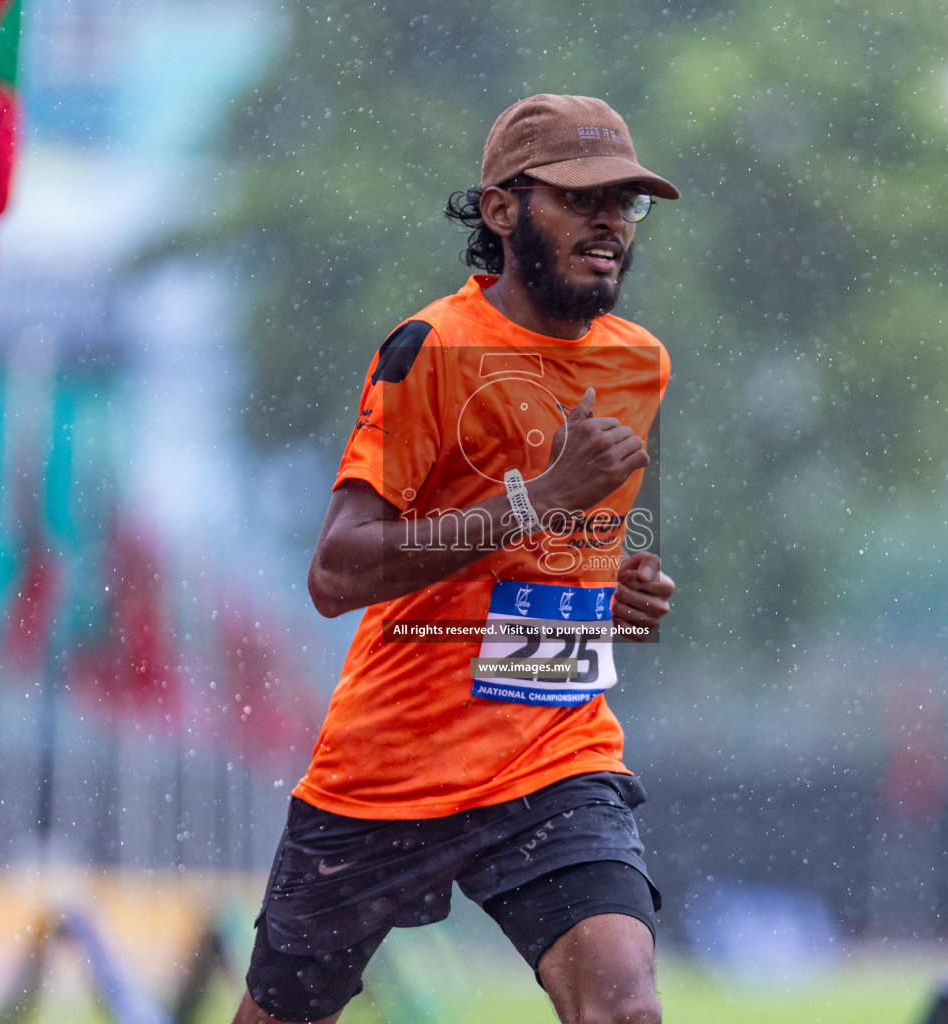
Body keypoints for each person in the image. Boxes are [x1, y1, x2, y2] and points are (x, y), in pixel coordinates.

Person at [232, 94, 679, 1024]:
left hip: (554, 751)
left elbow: (562, 565)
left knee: (624, 1006)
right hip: (389, 765)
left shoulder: (641, 363)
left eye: (625, 204)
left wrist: (612, 598)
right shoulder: (427, 351)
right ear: (503, 210)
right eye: (582, 198)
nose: (610, 222)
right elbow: (337, 574)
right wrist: (540, 500)